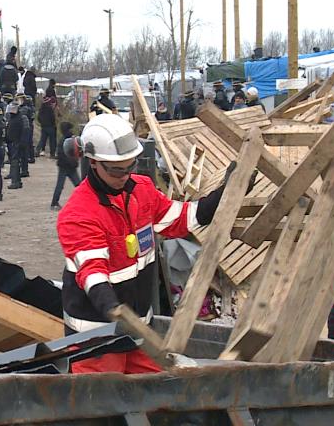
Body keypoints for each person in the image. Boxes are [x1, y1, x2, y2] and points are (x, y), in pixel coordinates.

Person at [57, 113, 238, 374]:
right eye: (116, 169)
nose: (124, 175)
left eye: (130, 166)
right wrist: (112, 308)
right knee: (106, 409)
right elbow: (92, 272)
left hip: (140, 331)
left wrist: (224, 193)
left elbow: (183, 218)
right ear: (93, 162)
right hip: (96, 339)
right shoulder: (79, 213)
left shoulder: (141, 190)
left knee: (157, 396)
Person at [51, 122, 81, 210]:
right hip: (66, 166)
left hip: (67, 166)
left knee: (77, 185)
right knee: (63, 185)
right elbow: (62, 155)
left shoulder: (66, 140)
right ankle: (54, 203)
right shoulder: (67, 141)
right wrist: (73, 162)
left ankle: (54, 203)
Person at [6, 103, 29, 189]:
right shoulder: (15, 118)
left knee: (15, 162)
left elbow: (21, 132)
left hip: (16, 143)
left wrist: (20, 143)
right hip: (15, 142)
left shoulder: (18, 119)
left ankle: (15, 182)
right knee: (15, 162)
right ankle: (17, 181)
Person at [36, 83, 58, 158]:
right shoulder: (50, 109)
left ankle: (38, 151)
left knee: (42, 139)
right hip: (50, 126)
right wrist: (53, 124)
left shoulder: (42, 107)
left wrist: (42, 122)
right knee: (52, 141)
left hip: (43, 126)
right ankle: (52, 154)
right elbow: (52, 118)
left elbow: (38, 117)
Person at [17, 93, 36, 165]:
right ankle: (30, 157)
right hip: (27, 126)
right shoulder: (27, 108)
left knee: (28, 142)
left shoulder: (25, 108)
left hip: (27, 126)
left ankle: (30, 157)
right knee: (29, 142)